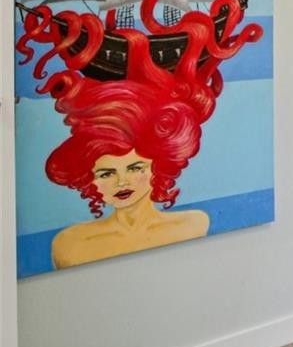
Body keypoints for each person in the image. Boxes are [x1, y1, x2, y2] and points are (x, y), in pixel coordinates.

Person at [45, 77, 212, 268]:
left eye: (135, 169)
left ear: (158, 167)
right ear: (89, 179)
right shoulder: (70, 245)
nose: (122, 182)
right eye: (106, 174)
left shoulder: (195, 223)